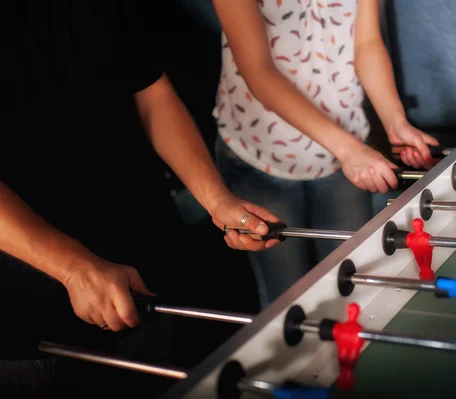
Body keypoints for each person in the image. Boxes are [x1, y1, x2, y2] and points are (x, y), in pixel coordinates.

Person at [0, 1, 280, 397]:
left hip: (141, 272)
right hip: (28, 315)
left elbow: (152, 92)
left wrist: (215, 199)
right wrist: (73, 267)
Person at [211, 0, 439, 308]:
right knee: (288, 301)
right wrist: (349, 150)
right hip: (260, 154)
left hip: (345, 151)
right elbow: (258, 71)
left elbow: (367, 42)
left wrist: (395, 123)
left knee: (350, 286)